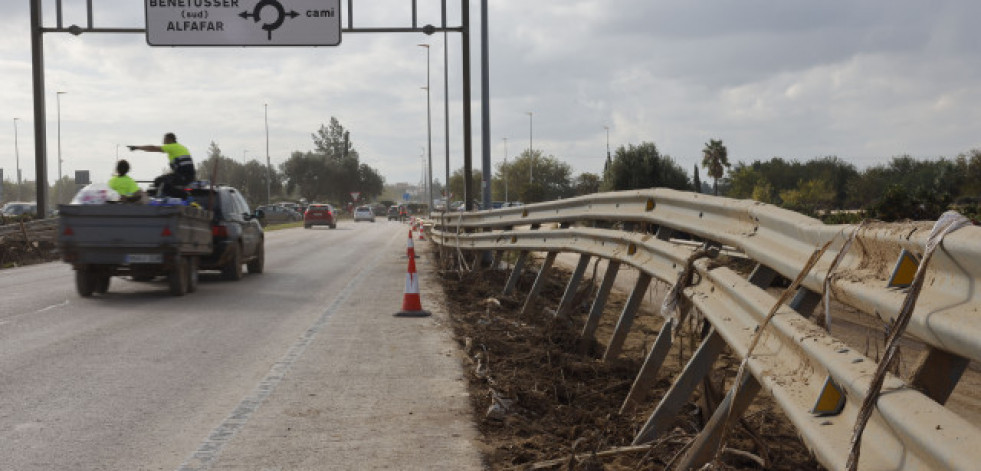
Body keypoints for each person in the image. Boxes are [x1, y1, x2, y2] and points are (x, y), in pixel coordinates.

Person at [127, 132, 196, 198]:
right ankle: (180, 196)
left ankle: (184, 196)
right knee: (164, 183)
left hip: (183, 176)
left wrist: (137, 147)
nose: (163, 141)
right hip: (187, 176)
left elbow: (153, 148)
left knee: (159, 181)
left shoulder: (172, 146)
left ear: (169, 139)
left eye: (164, 139)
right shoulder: (181, 147)